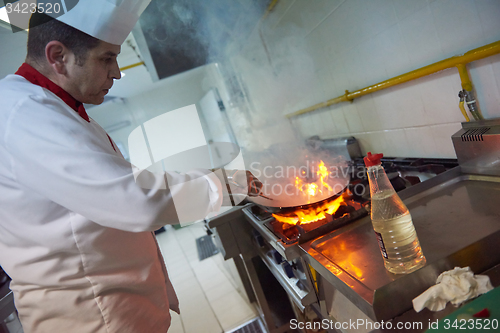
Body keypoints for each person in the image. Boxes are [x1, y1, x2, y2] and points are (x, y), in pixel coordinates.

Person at [0, 2, 261, 332]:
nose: (117, 72)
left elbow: (132, 183)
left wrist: (215, 178)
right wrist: (226, 185)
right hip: (94, 319)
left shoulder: (54, 109)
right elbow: (136, 200)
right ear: (58, 57)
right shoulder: (24, 113)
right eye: (106, 58)